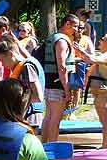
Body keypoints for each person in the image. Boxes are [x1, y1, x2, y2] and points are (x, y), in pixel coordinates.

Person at [0, 36, 45, 131]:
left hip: (30, 117)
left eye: (2, 60)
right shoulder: (21, 66)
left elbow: (38, 97)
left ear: (10, 54)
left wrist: (11, 100)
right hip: (24, 115)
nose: (2, 65)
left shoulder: (27, 67)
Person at [41, 14, 79, 143]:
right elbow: (62, 67)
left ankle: (44, 147)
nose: (77, 30)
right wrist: (67, 89)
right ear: (67, 24)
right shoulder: (62, 41)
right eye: (75, 26)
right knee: (55, 119)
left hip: (49, 82)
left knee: (49, 116)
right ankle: (52, 151)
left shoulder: (53, 37)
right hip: (58, 84)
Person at [75, 34, 107, 148]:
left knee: (105, 122)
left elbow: (92, 59)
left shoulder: (105, 55)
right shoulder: (103, 55)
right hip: (100, 94)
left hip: (104, 94)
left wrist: (82, 50)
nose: (99, 41)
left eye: (102, 39)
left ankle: (105, 146)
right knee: (104, 122)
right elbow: (89, 59)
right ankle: (105, 145)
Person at [70, 21, 95, 107]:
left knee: (77, 89)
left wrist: (82, 51)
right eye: (78, 27)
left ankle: (73, 109)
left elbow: (92, 55)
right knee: (68, 87)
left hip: (81, 65)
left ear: (84, 29)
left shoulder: (86, 39)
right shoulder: (69, 38)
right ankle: (66, 108)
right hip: (69, 65)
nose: (79, 30)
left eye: (81, 28)